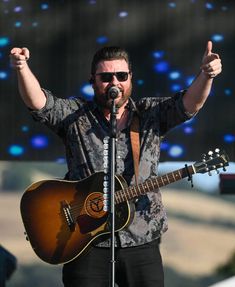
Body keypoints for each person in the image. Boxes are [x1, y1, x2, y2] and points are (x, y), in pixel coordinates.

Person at [10, 42, 222, 287]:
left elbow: (189, 104)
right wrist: (21, 67)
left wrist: (207, 75)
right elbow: (40, 103)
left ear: (130, 78)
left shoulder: (150, 113)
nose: (114, 83)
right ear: (93, 81)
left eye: (121, 76)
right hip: (84, 241)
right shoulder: (75, 116)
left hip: (142, 240)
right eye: (106, 77)